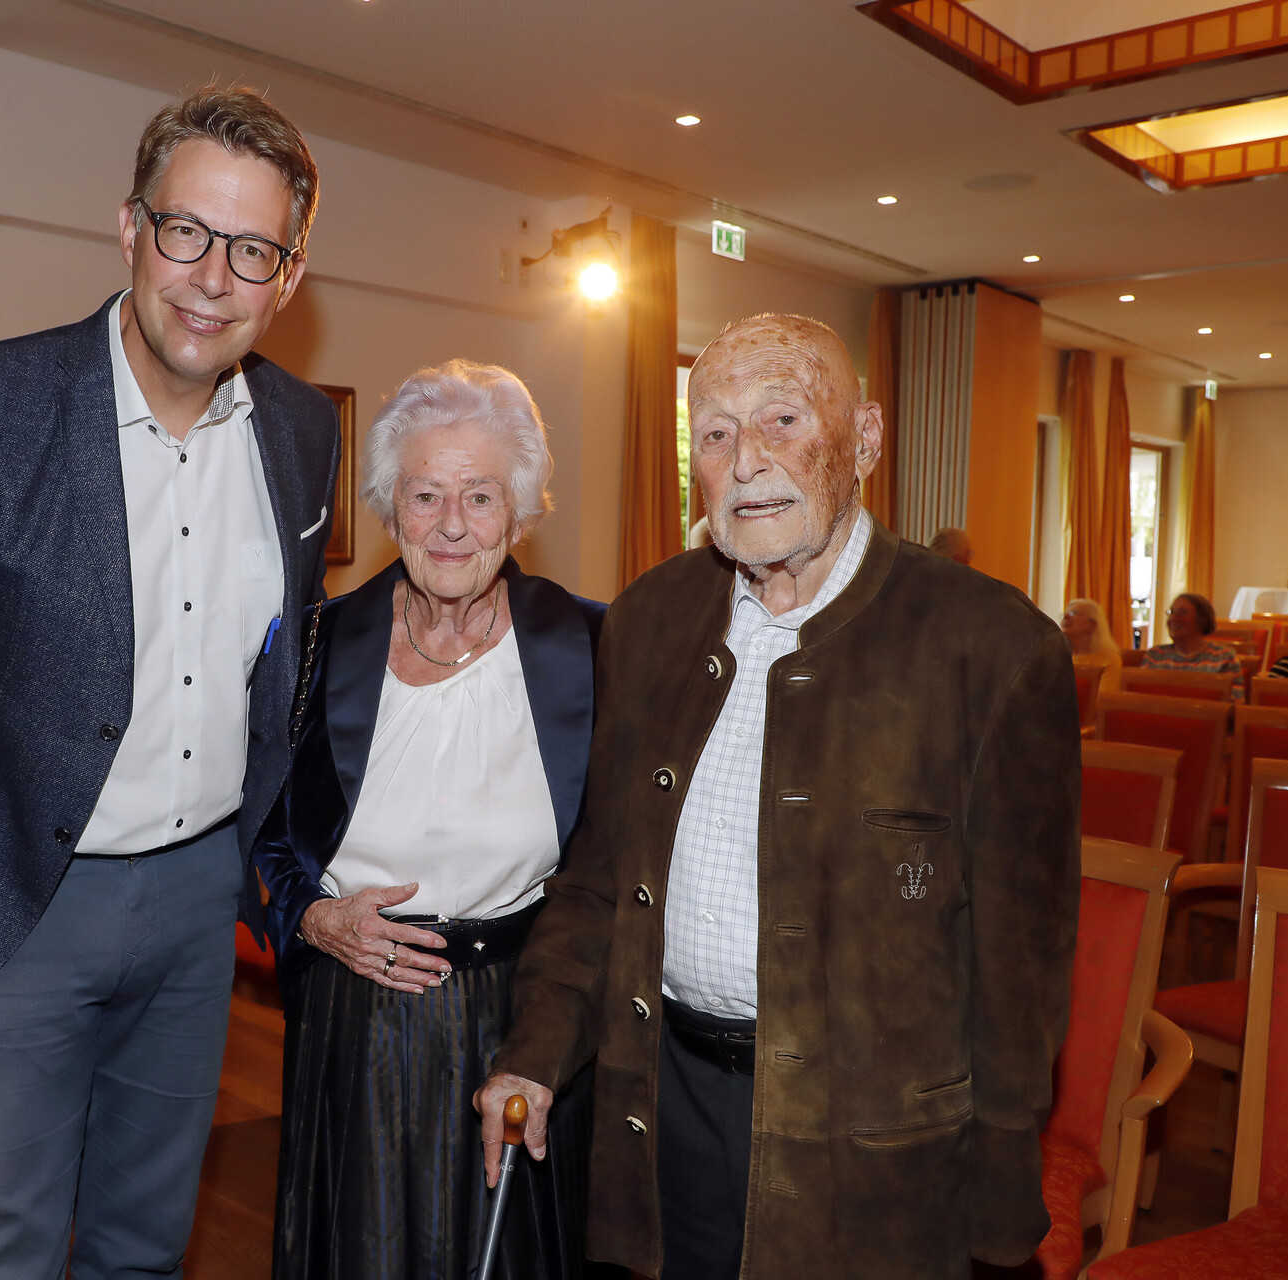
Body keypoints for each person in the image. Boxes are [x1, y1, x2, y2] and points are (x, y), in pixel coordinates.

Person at [0, 87, 340, 1279]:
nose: (213, 277)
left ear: (290, 274)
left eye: (253, 249)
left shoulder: (303, 431)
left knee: (143, 1242)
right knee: (0, 1249)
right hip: (13, 909)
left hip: (193, 913)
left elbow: (291, 675)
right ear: (129, 228)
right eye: (187, 232)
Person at [477, 313, 1080, 1279]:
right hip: (664, 1108)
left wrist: (1002, 1219)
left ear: (867, 439)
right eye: (714, 433)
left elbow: (1021, 973)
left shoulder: (994, 652)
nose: (747, 460)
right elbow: (598, 879)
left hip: (875, 1159)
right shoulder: (647, 622)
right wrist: (535, 1053)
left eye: (784, 420)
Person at [252, 360, 607, 1280]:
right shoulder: (314, 646)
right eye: (425, 494)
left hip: (522, 1016)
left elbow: (620, 862)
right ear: (387, 508)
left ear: (522, 512)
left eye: (481, 496)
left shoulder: (594, 648)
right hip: (356, 1018)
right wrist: (313, 917)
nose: (452, 525)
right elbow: (258, 829)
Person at [1143, 592, 1244, 699]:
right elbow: (1139, 700)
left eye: (1182, 613)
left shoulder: (1224, 657)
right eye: (1172, 612)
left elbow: (1234, 705)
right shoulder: (1155, 655)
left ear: (1202, 620)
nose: (1173, 618)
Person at [1061, 597, 1123, 692]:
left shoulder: (1109, 661)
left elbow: (1103, 702)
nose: (1065, 617)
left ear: (1092, 625)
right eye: (1064, 614)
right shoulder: (1055, 657)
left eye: (1073, 613)